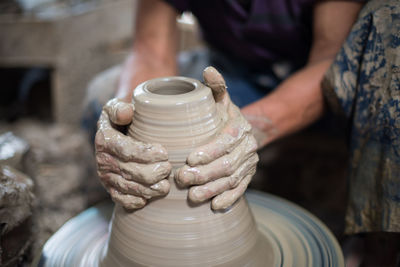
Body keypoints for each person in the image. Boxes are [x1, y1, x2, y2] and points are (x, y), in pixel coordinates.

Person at [84, 0, 400, 264]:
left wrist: (249, 128)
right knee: (103, 97)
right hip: (234, 76)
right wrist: (131, 120)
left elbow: (331, 60)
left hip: (331, 83)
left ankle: (373, 237)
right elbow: (151, 50)